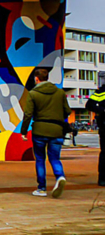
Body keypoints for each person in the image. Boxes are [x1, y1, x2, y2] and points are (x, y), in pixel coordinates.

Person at [20, 68, 70, 198]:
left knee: (40, 159)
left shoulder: (33, 94)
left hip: (40, 130)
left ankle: (41, 188)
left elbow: (28, 114)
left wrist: (23, 131)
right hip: (57, 130)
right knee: (55, 158)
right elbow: (67, 111)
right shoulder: (60, 93)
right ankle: (60, 176)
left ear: (36, 79)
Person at [87, 82, 105, 187]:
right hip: (104, 125)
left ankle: (102, 178)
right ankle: (102, 178)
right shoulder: (101, 92)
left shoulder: (100, 92)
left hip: (103, 125)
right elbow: (89, 105)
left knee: (104, 153)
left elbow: (89, 105)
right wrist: (102, 111)